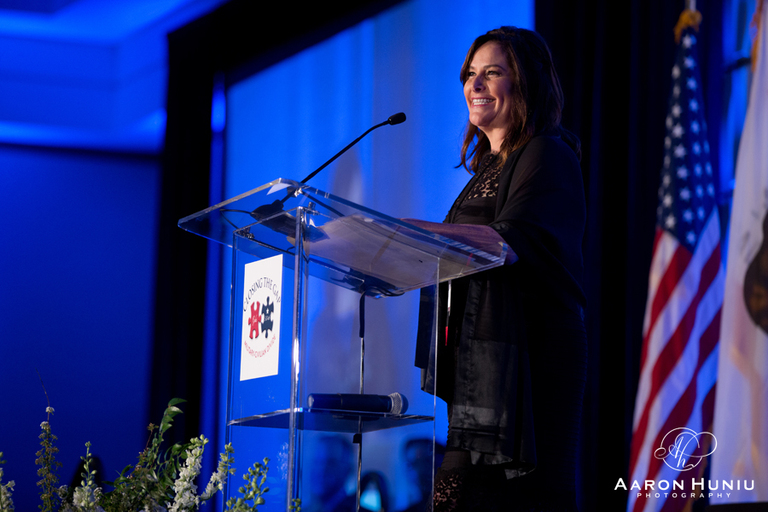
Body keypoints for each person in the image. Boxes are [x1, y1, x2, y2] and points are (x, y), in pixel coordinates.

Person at [414, 26, 587, 511]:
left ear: (526, 83)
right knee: (458, 498)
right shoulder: (484, 173)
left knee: (516, 499)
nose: (476, 85)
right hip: (484, 368)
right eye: (471, 74)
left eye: (493, 73)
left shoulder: (548, 154)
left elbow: (511, 241)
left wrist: (412, 233)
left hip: (533, 360)